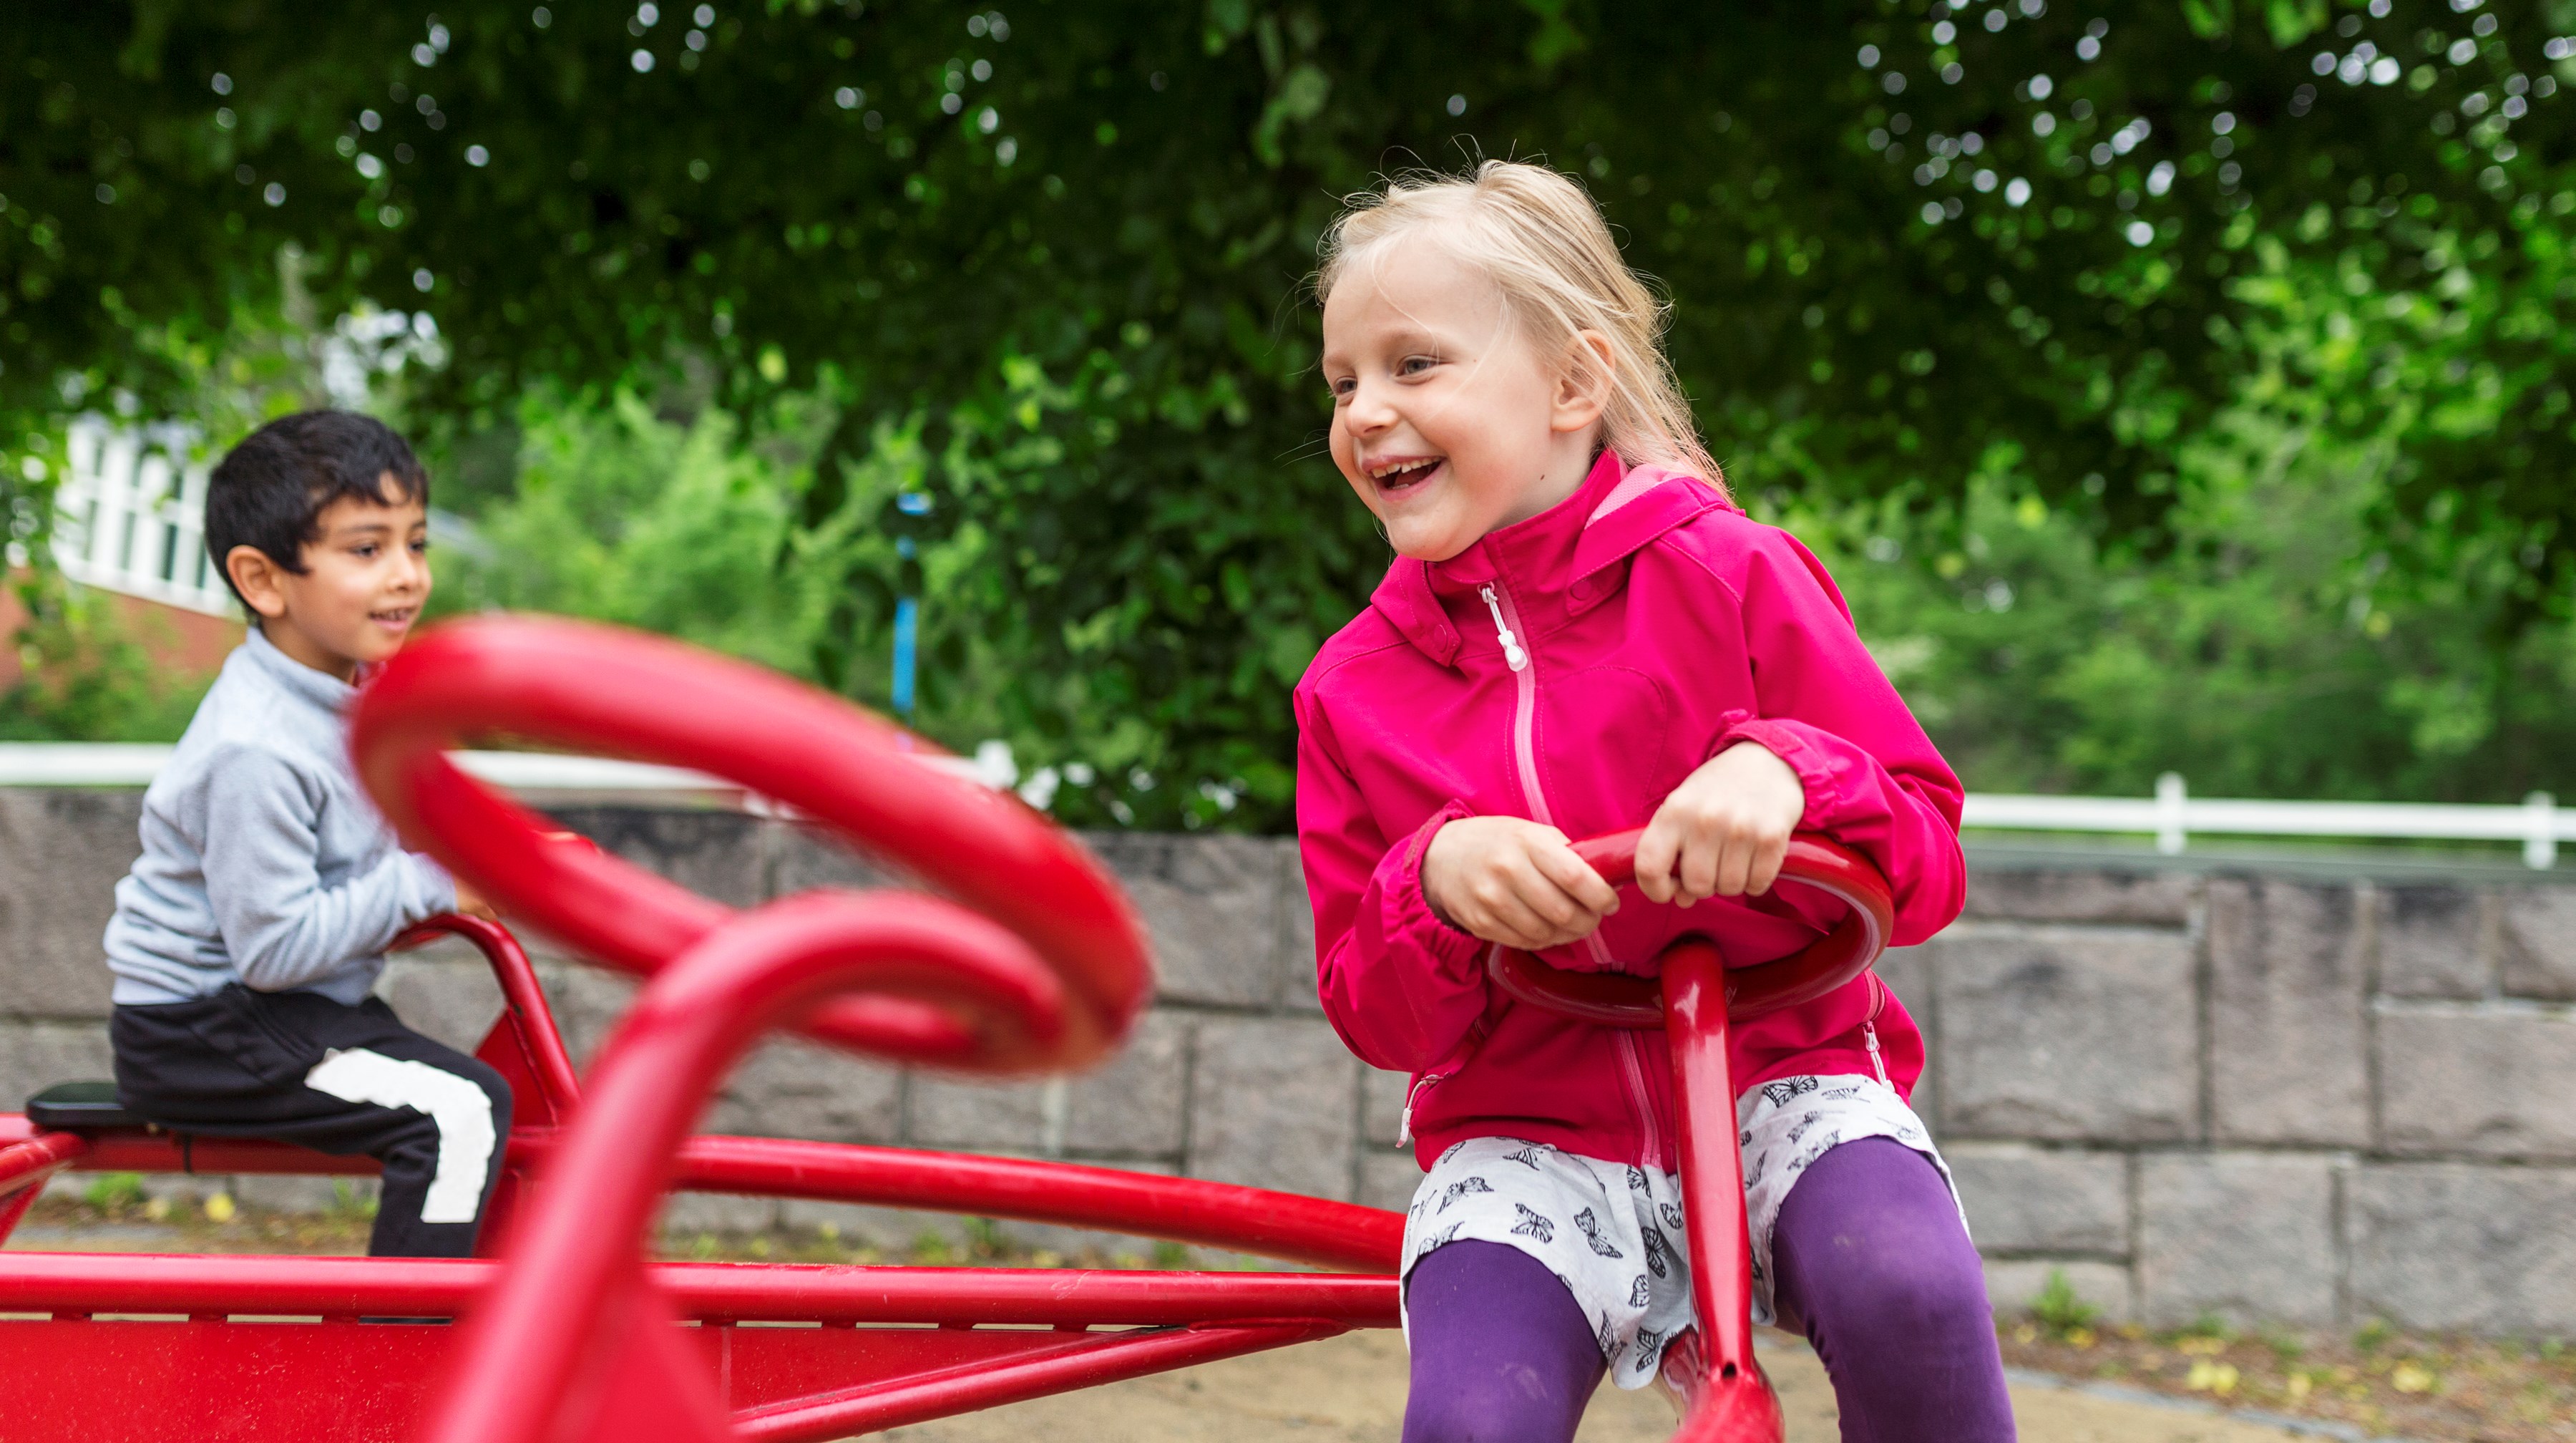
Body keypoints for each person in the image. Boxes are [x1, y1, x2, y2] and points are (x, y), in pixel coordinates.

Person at [1296, 162, 2014, 1442]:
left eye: (1415, 365)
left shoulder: (1731, 575)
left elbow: (1926, 853)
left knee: (1909, 1290)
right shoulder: (1354, 692)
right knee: (1470, 1422)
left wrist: (1789, 770)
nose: (1367, 412)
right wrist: (1434, 882)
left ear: (1575, 385)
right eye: (1345, 380)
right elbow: (1372, 1010)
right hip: (1529, 1129)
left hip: (1784, 1078)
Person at [102, 410, 512, 1260]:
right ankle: (398, 1378)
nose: (407, 577)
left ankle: (481, 1322)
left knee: (481, 1096)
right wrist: (436, 881)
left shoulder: (349, 695)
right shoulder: (255, 747)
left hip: (277, 1012)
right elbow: (276, 947)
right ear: (263, 579)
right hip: (203, 1030)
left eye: (417, 543)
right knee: (459, 1109)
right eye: (367, 550)